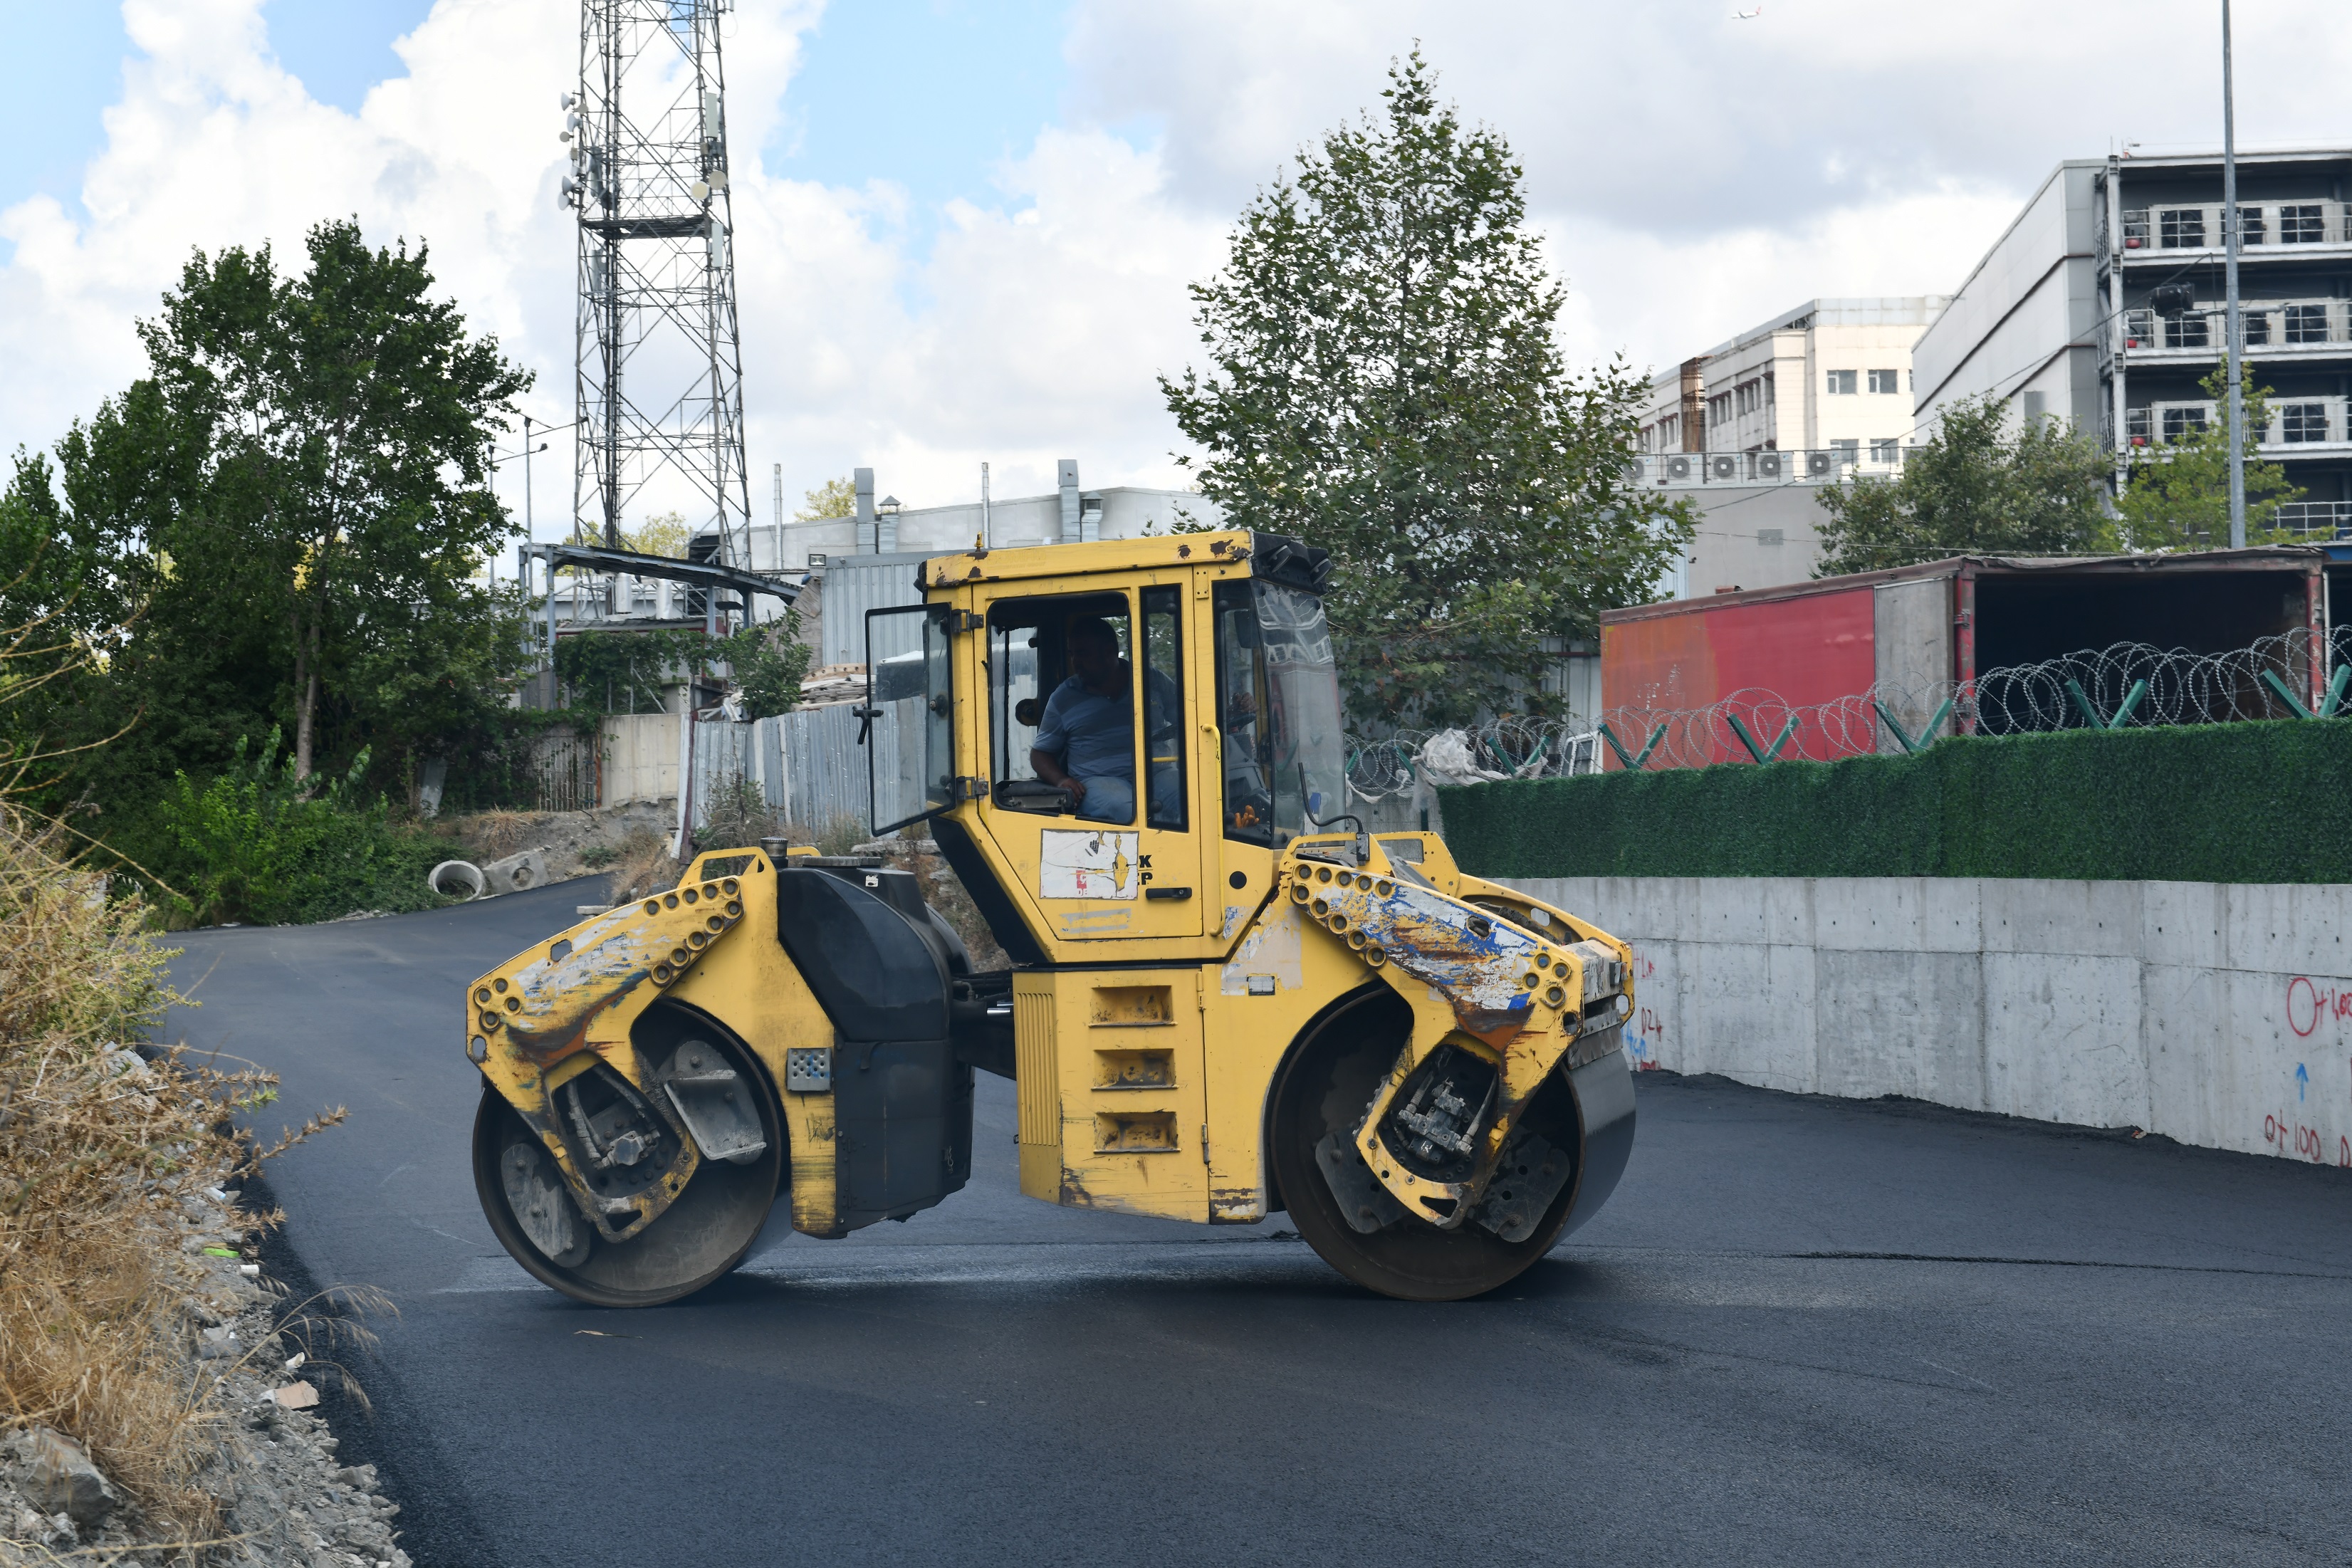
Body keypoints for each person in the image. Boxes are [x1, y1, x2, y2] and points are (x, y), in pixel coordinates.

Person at [1030, 617, 1178, 825]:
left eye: (1083, 653)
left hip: (1158, 772)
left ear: (1109, 651)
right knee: (1127, 811)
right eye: (1072, 654)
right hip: (1099, 781)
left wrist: (1232, 712)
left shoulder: (1152, 680)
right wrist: (1062, 780)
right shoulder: (1064, 697)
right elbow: (1040, 754)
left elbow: (1188, 718)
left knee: (1189, 798)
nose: (1076, 662)